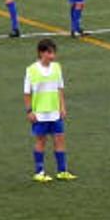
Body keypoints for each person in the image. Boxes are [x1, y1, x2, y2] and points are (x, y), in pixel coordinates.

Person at [24, 39, 76, 183]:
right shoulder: (31, 70)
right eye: (49, 53)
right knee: (41, 140)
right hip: (40, 113)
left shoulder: (57, 68)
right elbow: (27, 93)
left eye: (53, 53)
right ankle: (39, 172)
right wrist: (29, 111)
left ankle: (62, 171)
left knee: (59, 138)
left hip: (55, 112)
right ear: (41, 53)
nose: (52, 56)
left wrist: (63, 107)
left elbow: (60, 89)